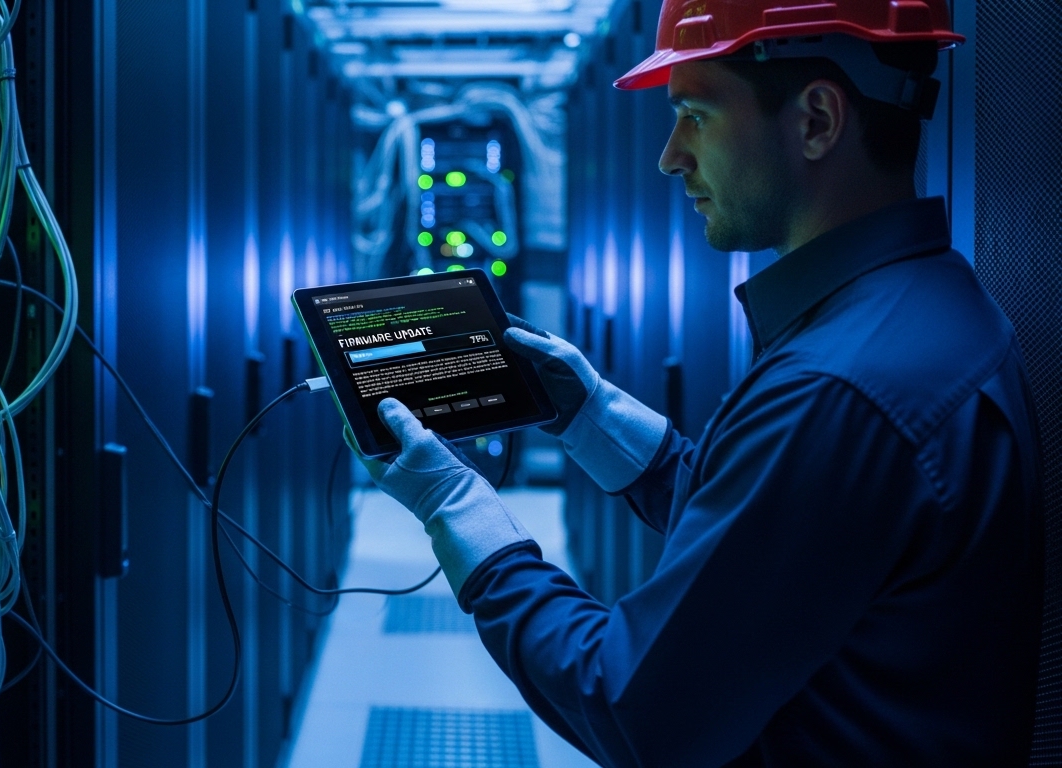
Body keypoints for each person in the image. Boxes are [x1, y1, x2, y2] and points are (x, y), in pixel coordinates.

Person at [348, 1, 1043, 765]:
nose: (671, 156)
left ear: (815, 120)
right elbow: (772, 540)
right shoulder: (927, 307)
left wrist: (457, 508)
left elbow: (630, 705)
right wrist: (590, 416)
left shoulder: (837, 387)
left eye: (694, 114)